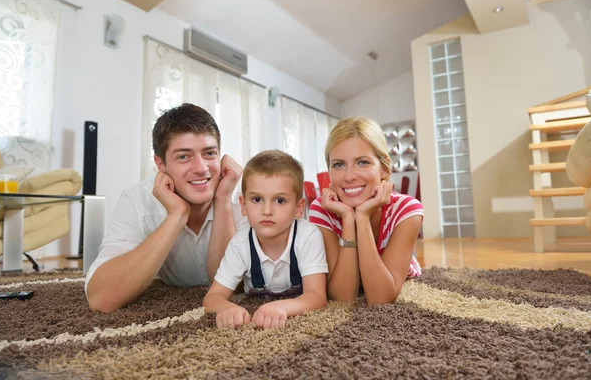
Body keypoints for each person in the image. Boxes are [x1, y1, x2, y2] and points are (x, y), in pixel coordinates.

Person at [86, 103, 247, 313]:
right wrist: (176, 215)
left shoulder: (244, 195)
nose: (201, 168)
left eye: (209, 153)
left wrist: (223, 201)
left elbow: (236, 286)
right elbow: (101, 298)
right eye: (183, 156)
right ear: (160, 164)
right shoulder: (137, 200)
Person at [203, 150, 328, 329]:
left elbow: (316, 296)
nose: (267, 210)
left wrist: (282, 307)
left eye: (279, 200)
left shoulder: (308, 236)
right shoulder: (240, 243)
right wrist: (227, 308)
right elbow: (212, 297)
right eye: (257, 199)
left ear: (299, 208)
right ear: (243, 205)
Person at [309, 117, 423, 305]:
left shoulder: (407, 210)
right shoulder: (323, 209)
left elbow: (381, 298)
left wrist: (362, 217)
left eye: (362, 162)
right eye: (338, 164)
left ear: (384, 168)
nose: (349, 176)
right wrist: (348, 219)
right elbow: (342, 297)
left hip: (389, 265)